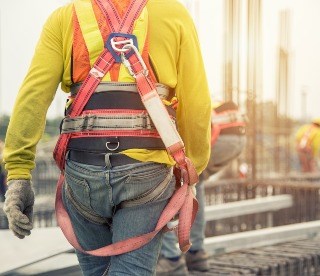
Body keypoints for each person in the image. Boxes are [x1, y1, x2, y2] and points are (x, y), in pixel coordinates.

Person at [2, 0, 211, 275]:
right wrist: (192, 170)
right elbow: (197, 104)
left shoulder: (65, 17)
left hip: (82, 171)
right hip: (146, 172)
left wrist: (18, 175)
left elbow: (33, 96)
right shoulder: (173, 13)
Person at [157, 101, 247, 275]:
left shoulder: (157, 95)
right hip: (235, 135)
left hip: (217, 135)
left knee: (160, 187)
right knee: (195, 184)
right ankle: (196, 253)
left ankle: (170, 258)